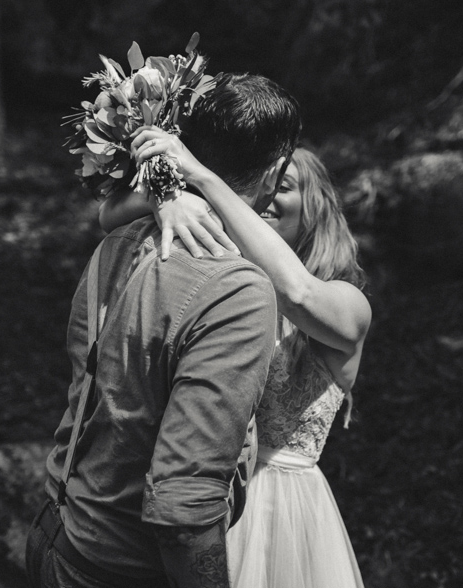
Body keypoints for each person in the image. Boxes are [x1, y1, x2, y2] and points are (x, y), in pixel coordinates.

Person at [26, 72, 302, 588]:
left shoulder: (118, 244)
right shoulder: (238, 291)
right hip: (120, 570)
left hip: (55, 534)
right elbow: (182, 506)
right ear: (271, 172)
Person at [101, 138, 371, 588]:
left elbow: (296, 293)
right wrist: (167, 198)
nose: (266, 196)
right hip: (202, 492)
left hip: (281, 508)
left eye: (282, 185)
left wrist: (203, 176)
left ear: (316, 206)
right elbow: (108, 217)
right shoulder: (224, 276)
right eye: (261, 184)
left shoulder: (348, 303)